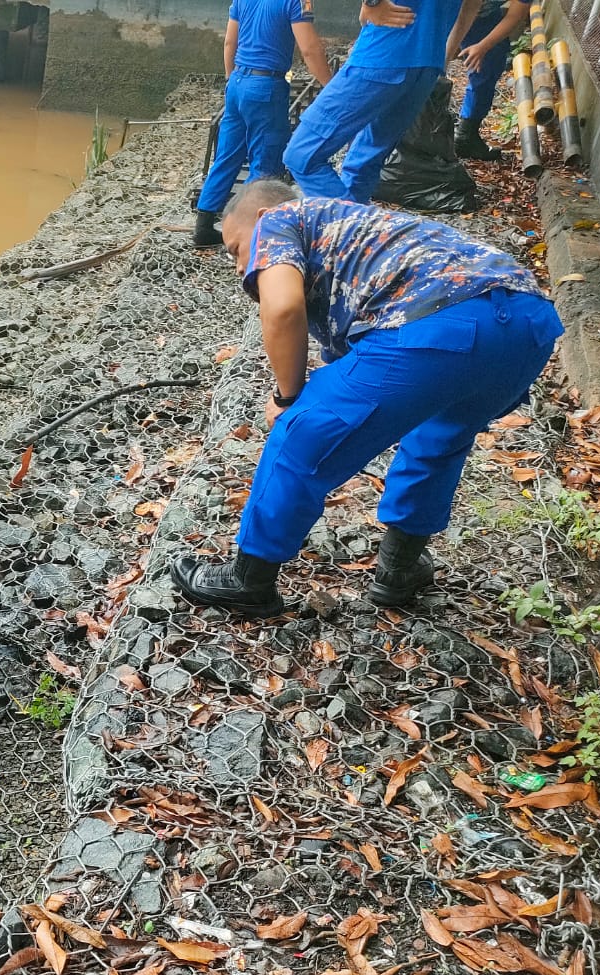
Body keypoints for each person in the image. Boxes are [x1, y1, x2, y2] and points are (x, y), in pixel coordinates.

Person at [171, 179, 562, 616]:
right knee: (441, 436)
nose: (241, 265)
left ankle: (249, 580)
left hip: (440, 322)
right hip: (528, 324)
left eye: (235, 249)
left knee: (303, 430)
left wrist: (287, 397)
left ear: (259, 220)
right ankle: (399, 570)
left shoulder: (278, 219)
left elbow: (282, 309)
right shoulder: (355, 232)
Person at [282, 0, 483, 202]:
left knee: (301, 154)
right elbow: (473, 4)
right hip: (427, 65)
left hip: (383, 53)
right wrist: (444, 56)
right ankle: (356, 227)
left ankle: (356, 225)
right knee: (366, 160)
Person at [192, 0, 335, 247]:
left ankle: (203, 227)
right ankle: (245, 236)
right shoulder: (296, 1)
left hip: (237, 82)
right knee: (265, 166)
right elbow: (310, 50)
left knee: (227, 156)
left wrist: (231, 81)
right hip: (266, 87)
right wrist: (333, 89)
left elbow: (229, 43)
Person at [452, 0, 529, 159]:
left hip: (484, 15)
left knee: (490, 64)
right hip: (442, 10)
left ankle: (466, 135)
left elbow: (516, 14)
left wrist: (483, 46)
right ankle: (417, 130)